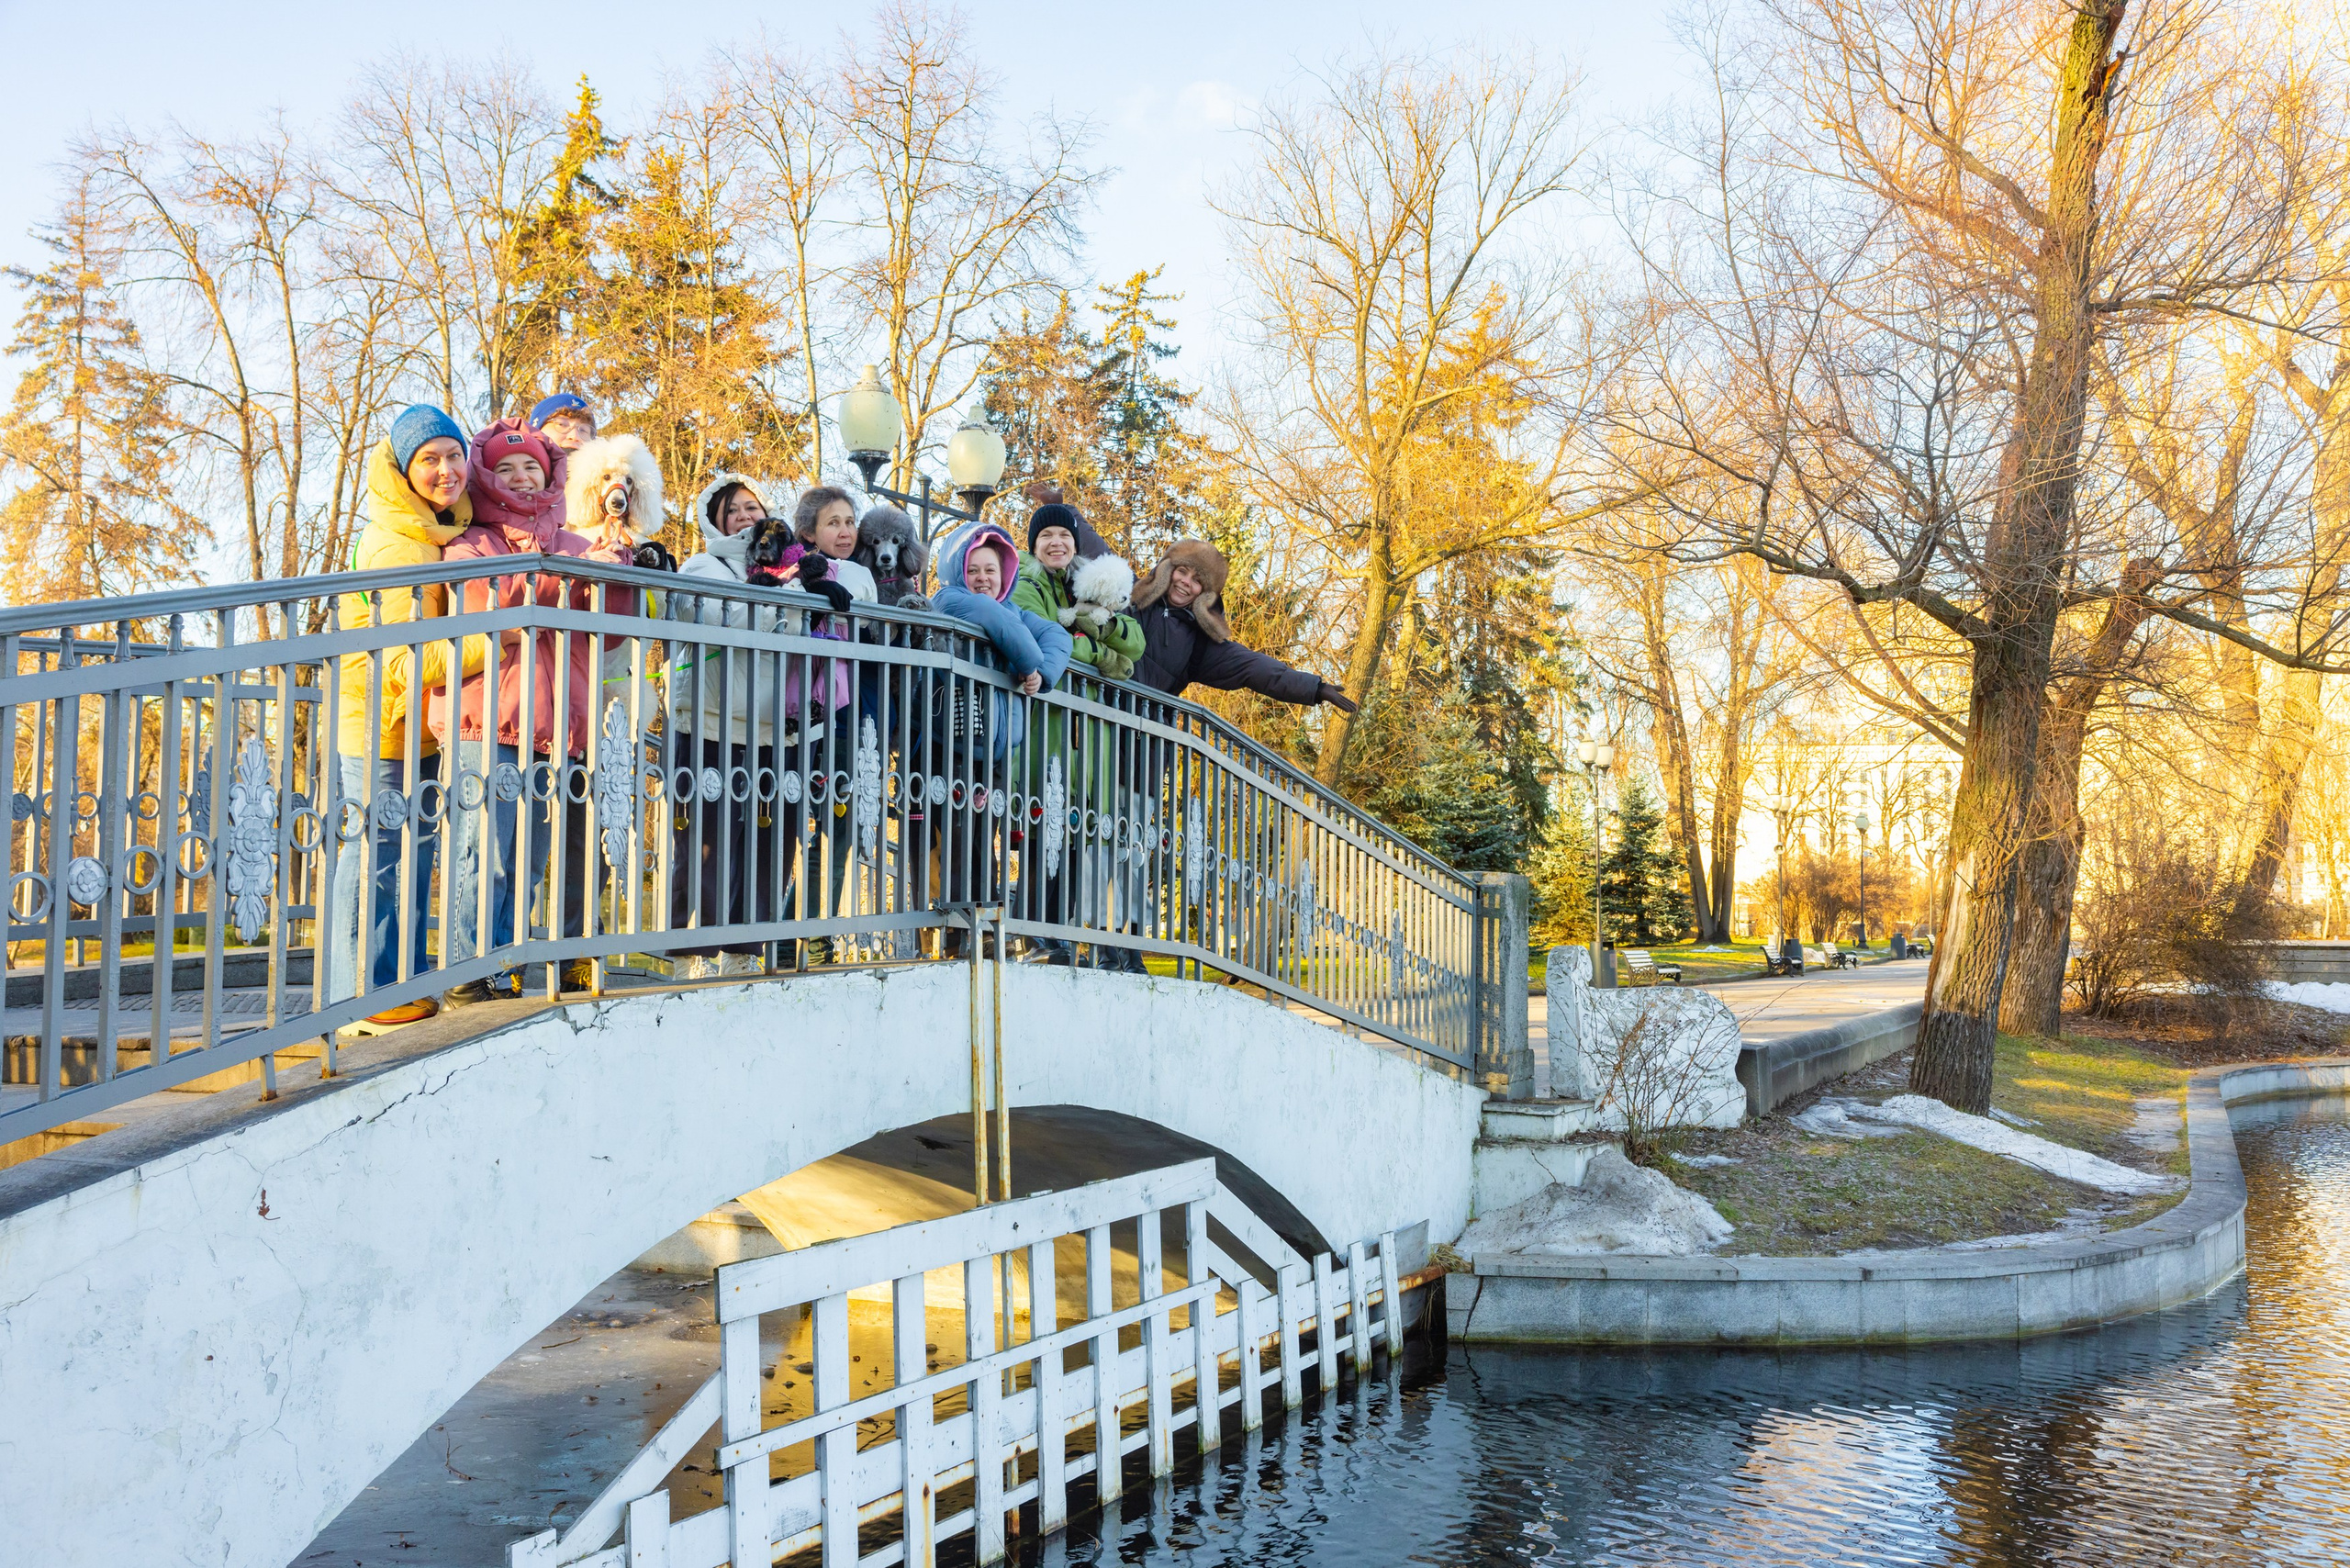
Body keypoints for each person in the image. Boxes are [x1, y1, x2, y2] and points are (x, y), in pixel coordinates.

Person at [431, 421, 640, 1004]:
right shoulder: (469, 542)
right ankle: (467, 970)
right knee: (484, 852)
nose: (521, 478)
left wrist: (617, 569)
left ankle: (505, 963)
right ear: (485, 478)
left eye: (532, 468)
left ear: (551, 477)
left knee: (529, 857)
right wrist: (570, 576)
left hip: (554, 724)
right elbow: (490, 599)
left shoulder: (574, 544)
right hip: (486, 718)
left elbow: (611, 630)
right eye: (505, 469)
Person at [328, 404, 481, 1031]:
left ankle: (399, 982)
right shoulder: (397, 543)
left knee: (410, 853)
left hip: (414, 726)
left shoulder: (435, 529)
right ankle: (359, 996)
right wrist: (497, 640)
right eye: (429, 460)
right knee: (378, 853)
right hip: (379, 722)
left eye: (454, 455)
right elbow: (403, 662)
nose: (445, 470)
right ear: (402, 469)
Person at [666, 474, 796, 979]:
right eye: (733, 510)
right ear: (715, 520)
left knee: (765, 845)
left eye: (752, 508)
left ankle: (745, 948)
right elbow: (714, 615)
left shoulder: (791, 567)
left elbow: (804, 622)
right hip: (709, 721)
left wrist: (779, 595)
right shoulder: (703, 565)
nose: (745, 517)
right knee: (702, 842)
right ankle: (688, 950)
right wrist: (775, 603)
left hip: (770, 725)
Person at [928, 521, 1072, 958]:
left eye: (991, 570)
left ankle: (985, 926)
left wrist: (1043, 673)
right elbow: (990, 618)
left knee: (983, 838)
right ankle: (959, 932)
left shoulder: (1014, 611)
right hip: (953, 740)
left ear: (1005, 573)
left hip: (993, 748)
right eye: (973, 570)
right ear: (958, 571)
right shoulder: (950, 598)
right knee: (958, 839)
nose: (982, 579)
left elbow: (1058, 635)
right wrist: (1027, 664)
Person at [1011, 502, 1143, 966]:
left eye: (1064, 536)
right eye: (1046, 536)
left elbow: (1135, 641)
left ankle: (1060, 936)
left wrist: (1103, 630)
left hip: (1082, 732)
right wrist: (1107, 657)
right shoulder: (1024, 581)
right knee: (1039, 827)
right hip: (1043, 724)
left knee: (1071, 832)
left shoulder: (1085, 582)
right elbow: (1050, 639)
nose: (1057, 543)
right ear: (1034, 544)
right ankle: (1034, 936)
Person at [791, 487, 880, 958]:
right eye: (833, 523)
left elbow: (869, 627)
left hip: (845, 713)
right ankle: (792, 932)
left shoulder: (860, 574)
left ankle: (810, 932)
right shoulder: (791, 571)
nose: (845, 531)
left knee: (837, 830)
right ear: (808, 532)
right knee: (803, 828)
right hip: (799, 711)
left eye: (850, 522)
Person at [1130, 540, 1360, 711]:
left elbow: (1253, 667)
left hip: (1140, 737)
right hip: (1106, 710)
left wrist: (1315, 688)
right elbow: (1103, 553)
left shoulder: (1199, 644)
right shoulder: (1125, 594)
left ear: (1205, 594)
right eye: (1182, 571)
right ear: (1167, 571)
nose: (1185, 582)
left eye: (1197, 580)